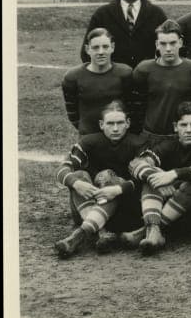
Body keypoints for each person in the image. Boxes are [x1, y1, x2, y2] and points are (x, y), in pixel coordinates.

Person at [121, 103, 191, 255]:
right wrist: (154, 177)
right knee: (152, 179)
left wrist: (173, 174)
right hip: (172, 212)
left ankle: (144, 231)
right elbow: (136, 164)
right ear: (176, 127)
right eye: (183, 125)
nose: (188, 130)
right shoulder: (168, 145)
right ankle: (154, 233)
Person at [53, 101, 145, 258]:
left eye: (120, 123)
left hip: (124, 212)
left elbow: (145, 179)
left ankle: (81, 234)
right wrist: (76, 183)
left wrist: (117, 189)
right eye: (110, 123)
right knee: (79, 175)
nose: (115, 128)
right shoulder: (88, 142)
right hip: (86, 207)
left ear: (128, 123)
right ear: (101, 124)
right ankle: (101, 232)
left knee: (110, 177)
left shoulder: (138, 143)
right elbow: (62, 170)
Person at [131, 20, 191, 141]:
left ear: (180, 42)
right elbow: (135, 104)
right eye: (163, 44)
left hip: (183, 138)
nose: (168, 49)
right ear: (157, 44)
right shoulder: (144, 69)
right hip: (151, 136)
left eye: (173, 43)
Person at [80, 0, 168, 70]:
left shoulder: (157, 14)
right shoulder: (102, 15)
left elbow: (168, 48)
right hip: (114, 81)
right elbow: (86, 53)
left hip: (146, 80)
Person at [63, 28, 134, 135]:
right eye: (95, 47)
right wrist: (85, 128)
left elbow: (132, 108)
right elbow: (72, 112)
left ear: (112, 47)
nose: (101, 52)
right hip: (89, 137)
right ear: (87, 49)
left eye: (105, 47)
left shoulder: (125, 73)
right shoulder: (73, 77)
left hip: (118, 137)